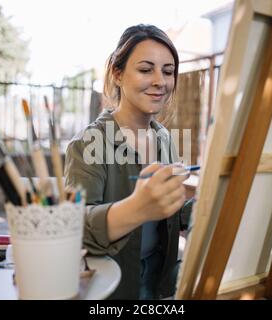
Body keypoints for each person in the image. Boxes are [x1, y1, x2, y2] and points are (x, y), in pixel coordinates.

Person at [64, 24, 192, 300]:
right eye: (146, 70)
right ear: (118, 74)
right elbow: (73, 228)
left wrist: (205, 206)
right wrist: (136, 207)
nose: (160, 81)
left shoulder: (165, 139)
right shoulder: (88, 143)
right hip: (112, 289)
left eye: (168, 72)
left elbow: (166, 218)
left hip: (161, 287)